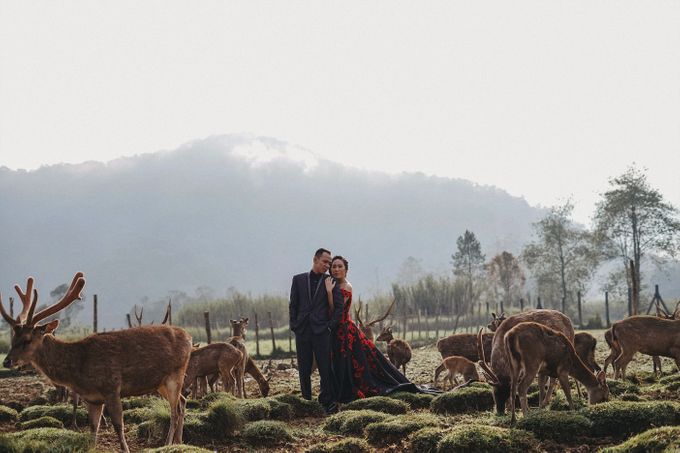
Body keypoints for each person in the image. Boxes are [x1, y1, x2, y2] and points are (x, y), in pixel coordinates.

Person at [326, 255, 437, 402]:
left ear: (346, 270)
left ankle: (348, 392)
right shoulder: (333, 284)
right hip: (336, 330)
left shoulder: (345, 287)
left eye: (340, 266)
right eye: (334, 266)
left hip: (345, 331)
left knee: (352, 362)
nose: (336, 269)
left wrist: (328, 293)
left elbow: (336, 310)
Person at [289, 248, 344, 414]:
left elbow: (339, 307)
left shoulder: (331, 281)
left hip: (322, 331)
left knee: (325, 368)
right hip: (303, 331)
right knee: (304, 368)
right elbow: (293, 305)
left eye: (329, 263)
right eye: (325, 262)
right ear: (315, 259)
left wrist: (329, 326)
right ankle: (307, 402)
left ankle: (327, 403)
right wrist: (294, 325)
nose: (328, 266)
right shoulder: (298, 279)